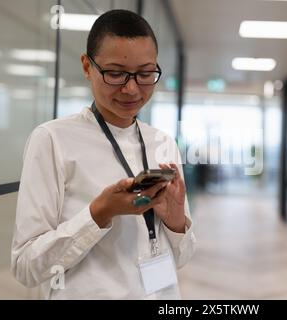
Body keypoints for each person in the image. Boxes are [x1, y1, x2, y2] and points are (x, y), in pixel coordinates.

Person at [11, 9, 196, 299]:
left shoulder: (162, 142)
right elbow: (26, 266)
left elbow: (182, 258)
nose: (132, 88)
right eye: (115, 74)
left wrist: (175, 223)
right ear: (87, 67)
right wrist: (99, 213)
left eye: (145, 73)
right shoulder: (52, 140)